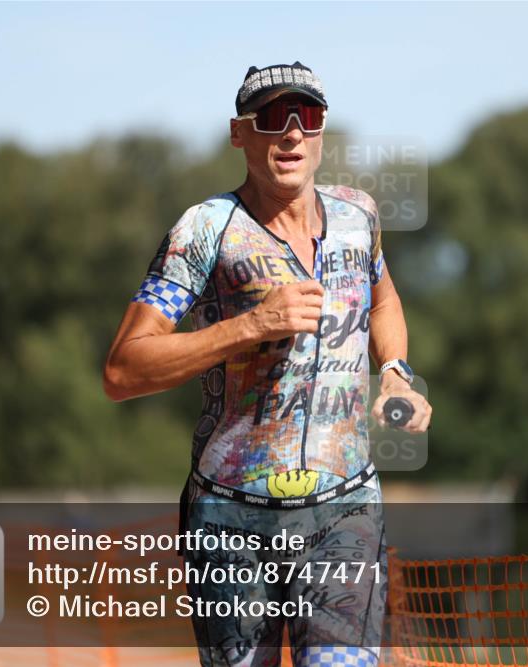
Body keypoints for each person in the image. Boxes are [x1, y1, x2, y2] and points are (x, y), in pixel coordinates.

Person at [104, 61, 432, 667]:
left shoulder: (358, 217)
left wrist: (395, 372)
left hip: (345, 511)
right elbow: (124, 369)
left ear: (322, 129)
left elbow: (383, 300)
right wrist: (253, 324)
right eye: (273, 117)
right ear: (240, 133)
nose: (292, 133)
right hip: (229, 520)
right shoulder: (205, 230)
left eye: (307, 116)